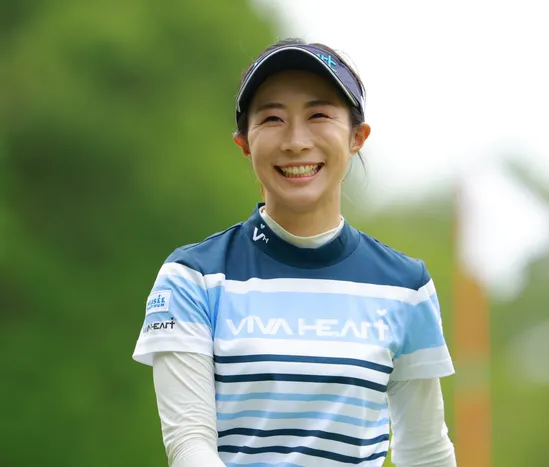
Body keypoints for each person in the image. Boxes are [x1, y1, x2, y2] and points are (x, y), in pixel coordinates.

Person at [133, 38, 457, 467]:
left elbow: (426, 451)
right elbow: (190, 445)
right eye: (272, 118)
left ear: (357, 137)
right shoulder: (193, 277)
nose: (296, 141)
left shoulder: (405, 286)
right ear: (244, 143)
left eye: (318, 115)